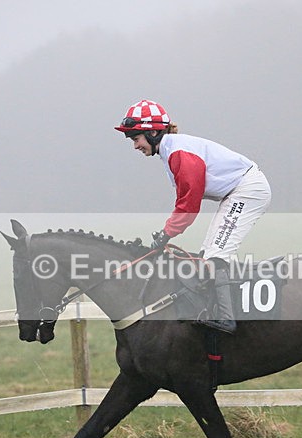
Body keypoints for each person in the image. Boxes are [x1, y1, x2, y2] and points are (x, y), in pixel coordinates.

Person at [115, 99, 272, 334]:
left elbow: (189, 203)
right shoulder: (170, 150)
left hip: (247, 191)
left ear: (154, 132)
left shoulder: (178, 152)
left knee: (216, 255)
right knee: (207, 254)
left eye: (136, 138)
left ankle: (227, 319)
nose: (135, 145)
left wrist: (167, 233)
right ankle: (216, 309)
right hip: (238, 191)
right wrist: (168, 231)